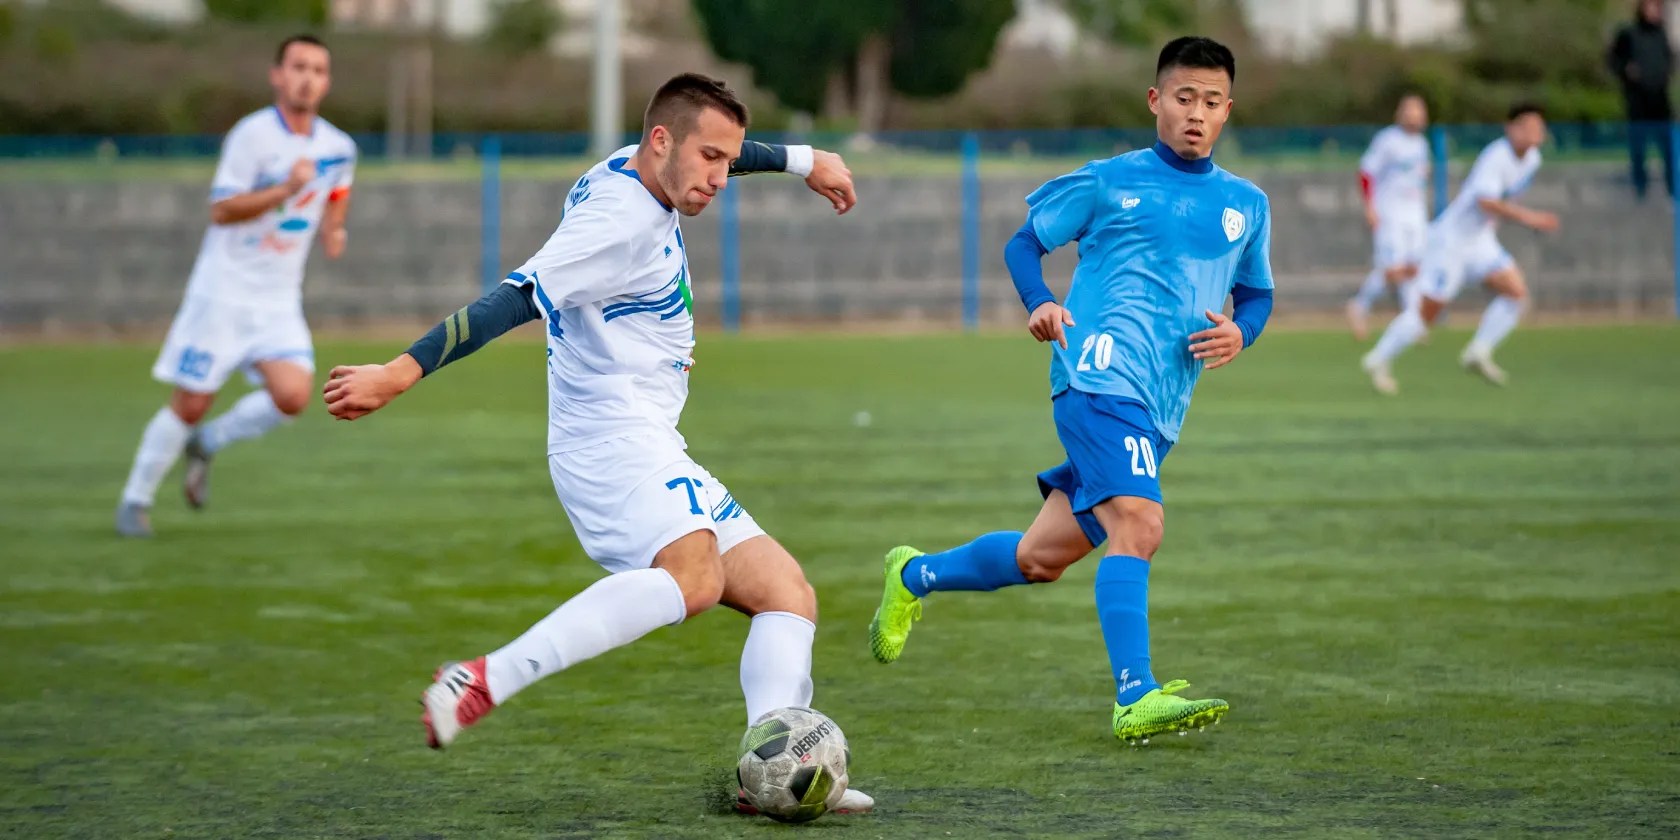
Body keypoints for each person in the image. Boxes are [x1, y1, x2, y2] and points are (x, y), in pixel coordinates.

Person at [319, 73, 874, 813]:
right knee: (696, 581)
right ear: (660, 142)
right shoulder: (617, 221)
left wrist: (804, 160)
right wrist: (399, 370)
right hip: (609, 439)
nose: (719, 177)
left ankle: (764, 768)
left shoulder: (648, 163)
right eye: (709, 159)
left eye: (726, 161)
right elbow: (511, 300)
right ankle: (485, 678)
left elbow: (716, 149)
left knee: (786, 594)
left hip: (647, 432)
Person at [866, 36, 1274, 746]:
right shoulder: (1109, 181)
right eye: (1183, 98)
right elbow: (1024, 242)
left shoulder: (1246, 203)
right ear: (1156, 101)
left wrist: (1243, 332)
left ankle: (915, 575)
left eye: (1211, 102)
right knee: (1139, 524)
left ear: (1228, 111)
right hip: (1095, 375)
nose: (1196, 114)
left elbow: (1259, 294)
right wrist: (1039, 301)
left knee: (1040, 559)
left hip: (1159, 406)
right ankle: (1134, 694)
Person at [116, 34, 356, 537]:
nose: (307, 78)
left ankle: (207, 443)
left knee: (293, 396)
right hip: (223, 292)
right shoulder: (251, 137)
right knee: (192, 401)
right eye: (298, 67)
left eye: (318, 69)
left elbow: (337, 186)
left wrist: (334, 227)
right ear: (277, 75)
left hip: (277, 299)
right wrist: (285, 189)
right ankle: (134, 502)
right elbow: (222, 210)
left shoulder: (338, 146)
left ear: (327, 82)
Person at [1361, 104, 1559, 395]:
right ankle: (1377, 358)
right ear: (1511, 128)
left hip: (1480, 242)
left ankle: (1478, 351)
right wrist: (1531, 219)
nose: (1534, 133)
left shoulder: (1533, 161)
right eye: (1527, 126)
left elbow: (1504, 201)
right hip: (1451, 243)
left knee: (1517, 294)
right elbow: (1486, 201)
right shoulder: (1497, 155)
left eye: (1538, 128)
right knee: (1426, 314)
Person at [1346, 94, 1432, 340]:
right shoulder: (1387, 140)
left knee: (1413, 268)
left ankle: (1412, 320)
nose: (1414, 116)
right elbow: (1365, 173)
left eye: (1419, 111)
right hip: (1390, 213)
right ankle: (1359, 306)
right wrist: (1369, 207)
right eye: (1410, 110)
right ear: (1400, 113)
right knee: (1392, 270)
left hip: (1414, 214)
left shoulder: (1421, 144)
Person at [1607, 0, 1675, 199]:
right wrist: (1627, 71)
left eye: (1657, 8)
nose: (1654, 12)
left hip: (1660, 99)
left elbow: (1669, 59)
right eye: (1650, 7)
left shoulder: (1661, 35)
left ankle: (1673, 188)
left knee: (1668, 147)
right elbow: (1614, 60)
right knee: (1639, 147)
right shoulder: (1629, 34)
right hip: (1637, 101)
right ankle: (1640, 188)